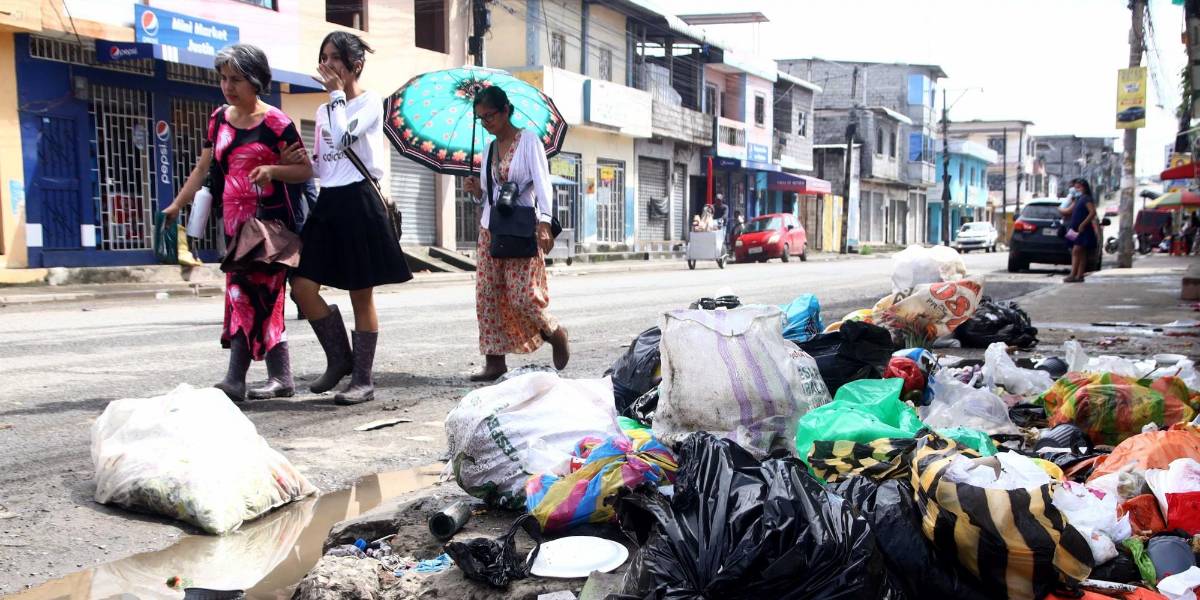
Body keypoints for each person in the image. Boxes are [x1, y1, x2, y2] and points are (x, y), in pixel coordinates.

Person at [163, 44, 313, 402]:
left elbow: (306, 170)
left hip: (269, 226)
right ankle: (273, 377)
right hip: (233, 224)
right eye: (224, 78)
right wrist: (176, 205)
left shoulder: (277, 122)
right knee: (243, 295)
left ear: (256, 80)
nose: (228, 86)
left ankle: (245, 378)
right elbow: (203, 168)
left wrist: (274, 169)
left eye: (237, 79)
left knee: (258, 296)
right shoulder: (218, 119)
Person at [284, 31, 413, 405]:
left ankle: (363, 379)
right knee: (302, 285)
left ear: (355, 64)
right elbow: (326, 162)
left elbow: (344, 140)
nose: (327, 64)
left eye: (335, 57)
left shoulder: (372, 103)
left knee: (361, 294)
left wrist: (337, 95)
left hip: (360, 199)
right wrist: (300, 164)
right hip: (330, 201)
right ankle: (340, 358)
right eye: (323, 56)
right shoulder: (325, 109)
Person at [462, 86, 569, 382]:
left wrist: (545, 222)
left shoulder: (528, 141)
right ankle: (494, 361)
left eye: (490, 115)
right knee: (487, 295)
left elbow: (542, 183)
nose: (486, 122)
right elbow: (490, 197)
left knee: (523, 296)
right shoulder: (489, 149)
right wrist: (477, 191)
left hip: (522, 227)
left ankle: (555, 332)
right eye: (480, 118)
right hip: (491, 228)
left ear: (506, 110)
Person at [1060, 178, 1097, 283]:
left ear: (1084, 188)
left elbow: (1092, 212)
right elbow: (1068, 211)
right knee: (1078, 252)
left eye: (1079, 187)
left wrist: (1083, 224)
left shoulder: (1086, 198)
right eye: (1075, 187)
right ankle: (1079, 275)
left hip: (1082, 229)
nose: (1076, 189)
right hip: (1074, 228)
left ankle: (1073, 274)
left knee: (1077, 251)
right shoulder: (1078, 199)